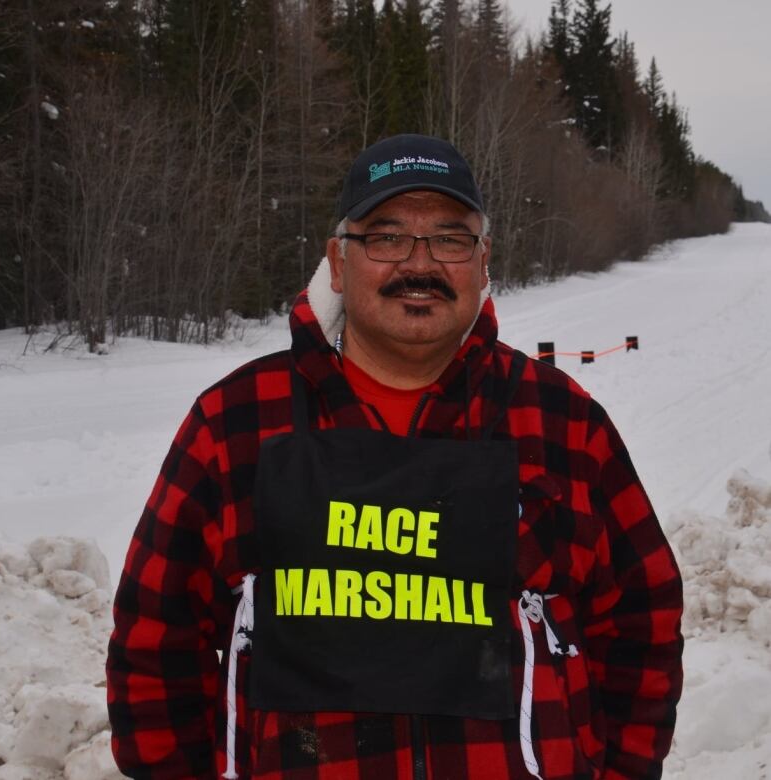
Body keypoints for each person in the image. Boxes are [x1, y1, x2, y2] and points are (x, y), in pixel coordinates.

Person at [107, 134, 683, 780]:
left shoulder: (563, 423)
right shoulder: (235, 425)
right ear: (337, 260)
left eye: (450, 238)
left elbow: (644, 617)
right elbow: (153, 649)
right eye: (385, 237)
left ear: (484, 261)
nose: (420, 263)